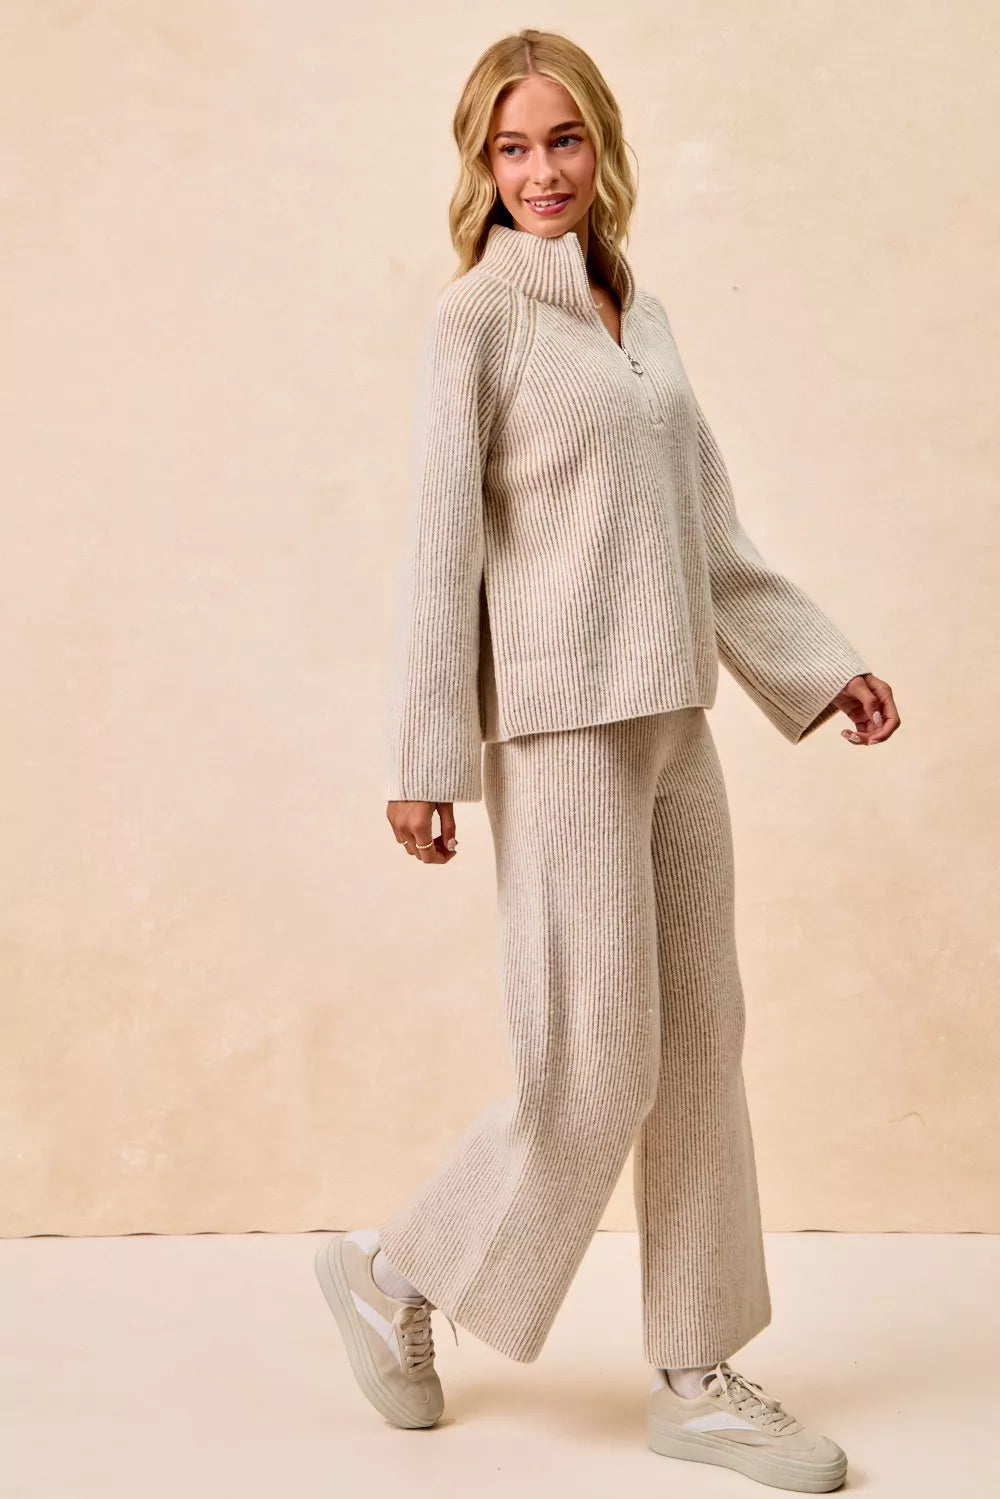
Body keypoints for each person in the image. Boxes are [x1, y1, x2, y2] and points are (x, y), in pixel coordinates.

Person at [315, 27, 899, 1493]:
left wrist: (817, 664)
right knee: (591, 1061)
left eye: (562, 139)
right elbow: (439, 548)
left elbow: (708, 531)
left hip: (675, 720)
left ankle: (696, 1375)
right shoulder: (477, 322)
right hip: (561, 726)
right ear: (480, 164)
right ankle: (395, 1273)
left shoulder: (640, 313)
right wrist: (425, 757)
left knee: (700, 1041)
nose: (542, 171)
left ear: (602, 146)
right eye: (511, 147)